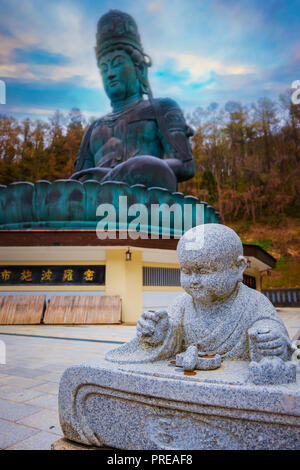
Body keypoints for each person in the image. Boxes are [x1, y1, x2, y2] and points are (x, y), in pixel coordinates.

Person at [106, 224, 292, 363]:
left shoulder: (254, 303)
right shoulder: (182, 304)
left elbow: (271, 328)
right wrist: (157, 333)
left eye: (204, 271)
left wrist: (271, 340)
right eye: (186, 271)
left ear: (238, 267)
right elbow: (172, 333)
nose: (193, 280)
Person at [71, 10, 196, 192]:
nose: (110, 73)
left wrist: (133, 168)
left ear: (139, 68)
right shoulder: (94, 128)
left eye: (118, 63)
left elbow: (186, 165)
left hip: (145, 198)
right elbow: (77, 182)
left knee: (144, 165)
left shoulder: (161, 108)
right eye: (104, 68)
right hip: (96, 202)